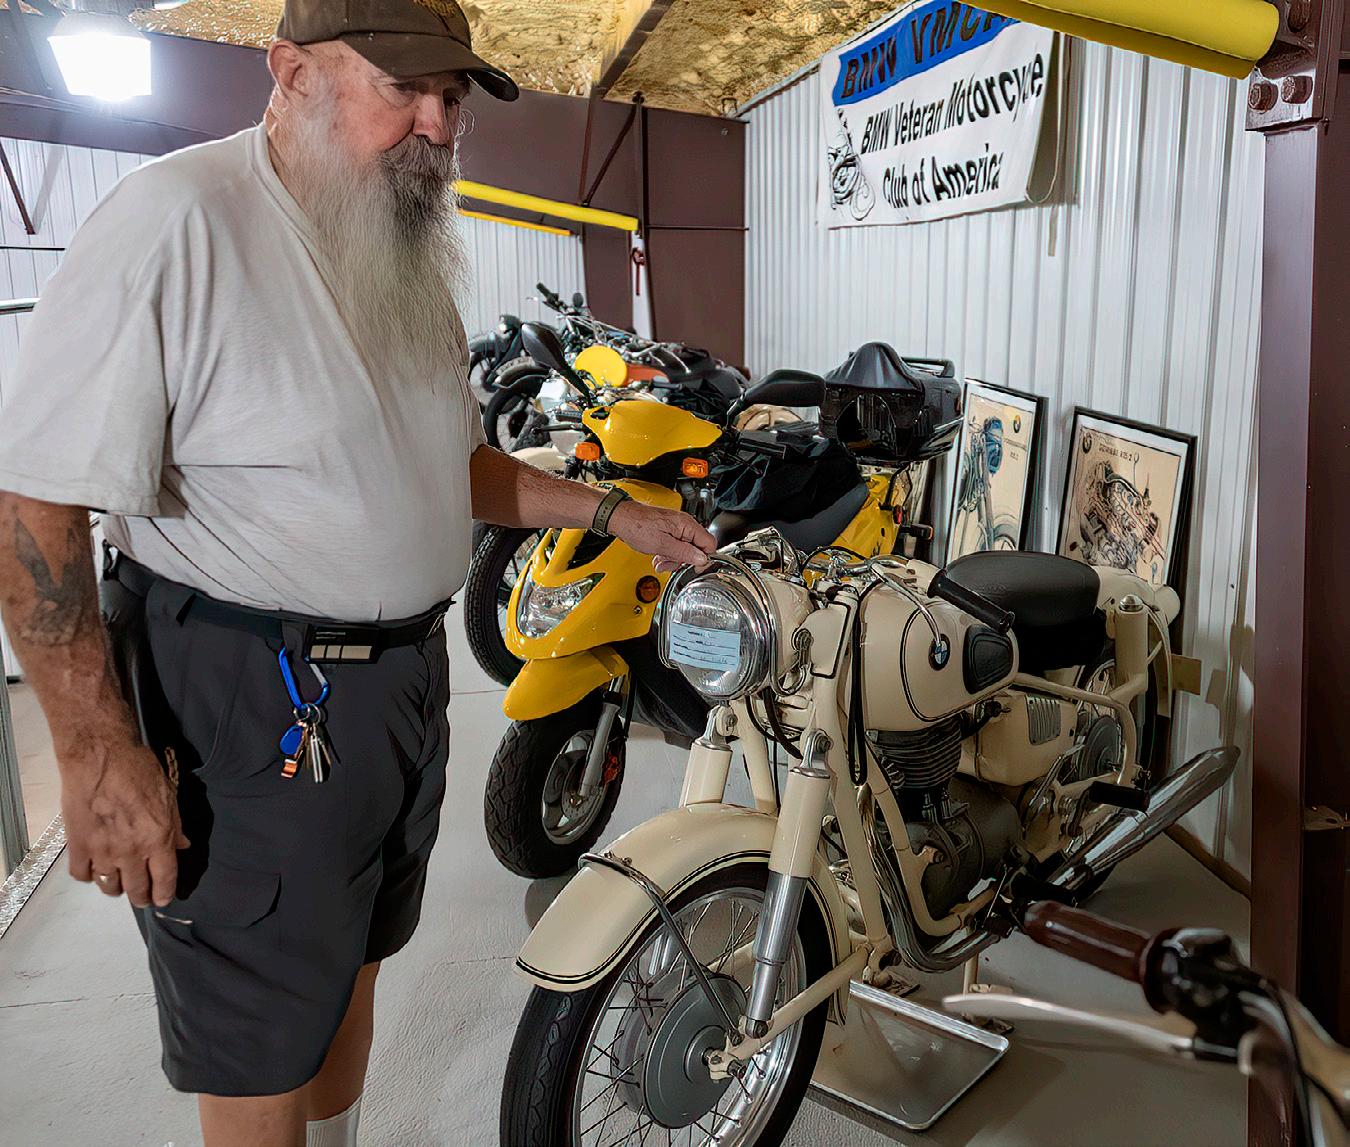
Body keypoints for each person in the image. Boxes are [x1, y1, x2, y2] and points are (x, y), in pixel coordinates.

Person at [0, 2, 715, 1145]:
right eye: (403, 89)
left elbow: (450, 468)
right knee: (258, 1032)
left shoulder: (396, 245)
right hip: (249, 694)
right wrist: (91, 752)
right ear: (290, 72)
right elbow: (33, 504)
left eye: (453, 96)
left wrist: (613, 512)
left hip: (396, 689)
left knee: (354, 959)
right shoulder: (178, 220)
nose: (436, 124)